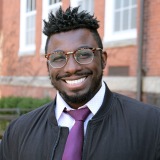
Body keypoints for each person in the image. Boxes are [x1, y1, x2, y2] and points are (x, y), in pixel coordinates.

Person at [0, 6, 160, 160]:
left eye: (84, 54)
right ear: (48, 67)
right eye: (58, 58)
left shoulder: (152, 125)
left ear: (103, 60)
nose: (71, 68)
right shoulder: (18, 132)